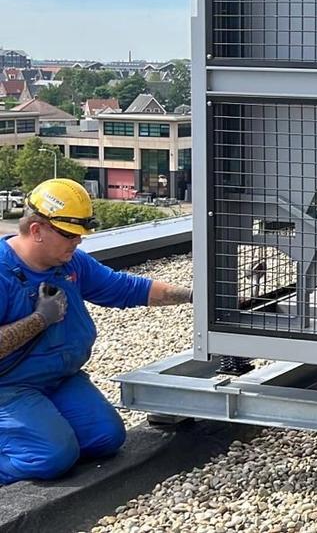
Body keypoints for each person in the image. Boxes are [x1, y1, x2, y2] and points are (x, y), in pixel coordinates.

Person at [0, 178, 192, 484]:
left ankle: (41, 431)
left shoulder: (70, 263)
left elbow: (126, 288)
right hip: (9, 387)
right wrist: (39, 320)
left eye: (80, 235)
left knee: (105, 438)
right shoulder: (2, 273)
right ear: (36, 230)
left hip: (59, 378)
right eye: (69, 235)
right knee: (50, 457)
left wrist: (197, 297)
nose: (77, 242)